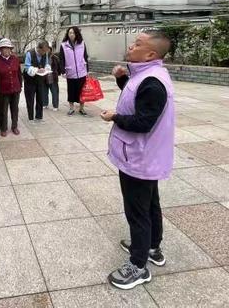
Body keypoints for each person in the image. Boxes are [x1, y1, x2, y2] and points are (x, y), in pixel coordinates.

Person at [100, 31, 174, 290]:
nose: (131, 47)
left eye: (137, 44)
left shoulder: (153, 82)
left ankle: (138, 266)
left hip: (139, 157)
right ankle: (152, 247)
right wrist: (122, 80)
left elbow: (143, 121)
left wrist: (114, 117)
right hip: (145, 156)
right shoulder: (145, 75)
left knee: (137, 212)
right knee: (150, 204)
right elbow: (138, 102)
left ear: (151, 54)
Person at [0, 38, 22, 137]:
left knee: (15, 109)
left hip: (15, 89)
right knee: (3, 110)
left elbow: (19, 74)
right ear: (0, 50)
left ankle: (14, 126)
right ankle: (3, 128)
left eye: (8, 48)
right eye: (4, 48)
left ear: (11, 49)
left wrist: (20, 86)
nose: (6, 50)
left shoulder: (15, 59)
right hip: (3, 90)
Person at [59, 26, 89, 116]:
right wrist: (63, 70)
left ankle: (82, 108)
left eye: (73, 33)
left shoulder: (82, 43)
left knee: (82, 91)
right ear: (67, 34)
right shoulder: (64, 45)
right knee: (71, 90)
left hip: (81, 71)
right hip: (70, 72)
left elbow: (85, 56)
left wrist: (87, 70)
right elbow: (61, 59)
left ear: (77, 34)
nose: (71, 34)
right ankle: (71, 108)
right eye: (69, 33)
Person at [23, 40, 50, 122]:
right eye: (43, 51)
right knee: (30, 99)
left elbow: (47, 64)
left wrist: (45, 69)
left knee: (40, 98)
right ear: (38, 48)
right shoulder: (29, 53)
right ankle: (30, 117)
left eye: (46, 51)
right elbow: (27, 67)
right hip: (29, 80)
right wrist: (37, 70)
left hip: (40, 79)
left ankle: (39, 116)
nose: (44, 53)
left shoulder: (45, 53)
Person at [43, 46, 62, 112]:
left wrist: (57, 73)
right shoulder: (42, 57)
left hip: (52, 76)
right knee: (44, 91)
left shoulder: (55, 58)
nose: (47, 50)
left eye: (48, 49)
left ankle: (55, 105)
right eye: (46, 49)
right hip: (44, 76)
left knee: (54, 91)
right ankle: (45, 104)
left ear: (51, 50)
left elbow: (59, 67)